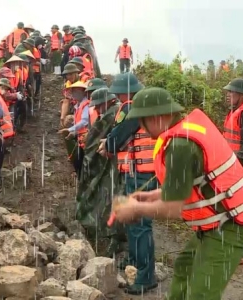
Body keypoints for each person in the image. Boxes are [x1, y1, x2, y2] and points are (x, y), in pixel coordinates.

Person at [110, 87, 243, 300]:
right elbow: (182, 186)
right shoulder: (184, 134)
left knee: (201, 292)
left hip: (230, 226)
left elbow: (172, 208)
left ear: (158, 117)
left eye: (142, 121)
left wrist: (136, 209)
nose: (141, 128)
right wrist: (151, 196)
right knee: (184, 268)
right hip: (217, 223)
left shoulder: (181, 145)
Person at [99, 72, 157, 295]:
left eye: (119, 94)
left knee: (141, 224)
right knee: (135, 220)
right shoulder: (144, 106)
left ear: (127, 92)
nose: (119, 98)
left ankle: (146, 276)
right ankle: (135, 261)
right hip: (141, 172)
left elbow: (119, 134)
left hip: (142, 173)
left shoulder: (134, 108)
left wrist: (108, 145)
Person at [76, 87, 121, 256]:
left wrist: (91, 153)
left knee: (110, 197)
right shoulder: (114, 111)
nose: (96, 109)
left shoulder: (113, 112)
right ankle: (113, 238)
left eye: (98, 105)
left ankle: (114, 239)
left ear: (107, 101)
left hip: (116, 164)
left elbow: (97, 139)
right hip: (116, 162)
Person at [58, 81, 89, 178]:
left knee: (80, 161)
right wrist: (74, 132)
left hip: (87, 139)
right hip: (81, 139)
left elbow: (84, 121)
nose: (74, 94)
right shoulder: (78, 106)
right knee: (77, 161)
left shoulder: (86, 105)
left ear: (83, 92)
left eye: (76, 91)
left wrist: (70, 129)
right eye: (73, 91)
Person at [223, 78, 243, 164]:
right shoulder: (232, 112)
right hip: (231, 161)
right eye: (227, 92)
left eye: (231, 92)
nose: (227, 95)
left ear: (241, 95)